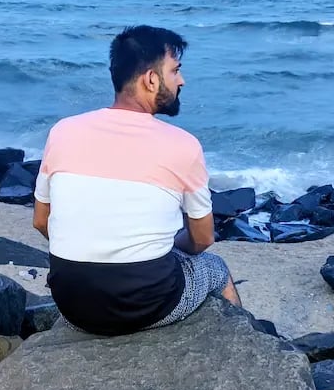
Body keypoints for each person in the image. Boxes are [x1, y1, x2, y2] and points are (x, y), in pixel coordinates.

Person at [32, 25, 241, 336]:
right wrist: (168, 248)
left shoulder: (63, 131)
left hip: (72, 303)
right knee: (217, 269)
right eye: (175, 71)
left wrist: (90, 252)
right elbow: (202, 239)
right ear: (151, 79)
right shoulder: (182, 145)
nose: (181, 80)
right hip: (150, 303)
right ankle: (243, 348)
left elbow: (41, 221)